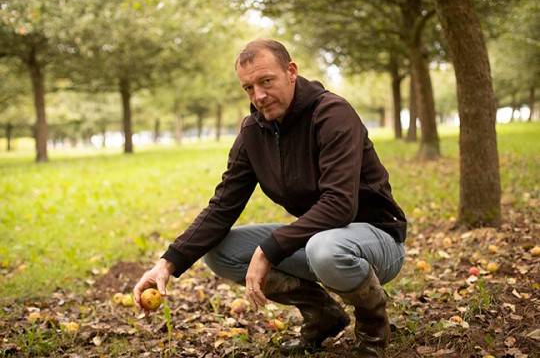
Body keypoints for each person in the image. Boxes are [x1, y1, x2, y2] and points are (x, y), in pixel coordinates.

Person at [133, 39, 407, 358]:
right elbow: (222, 207)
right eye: (249, 88)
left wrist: (267, 251)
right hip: (321, 238)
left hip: (376, 239)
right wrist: (167, 264)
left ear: (291, 72)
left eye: (266, 81)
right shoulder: (253, 132)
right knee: (220, 252)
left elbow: (340, 204)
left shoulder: (332, 114)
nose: (259, 96)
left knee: (325, 249)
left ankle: (373, 331)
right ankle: (323, 315)